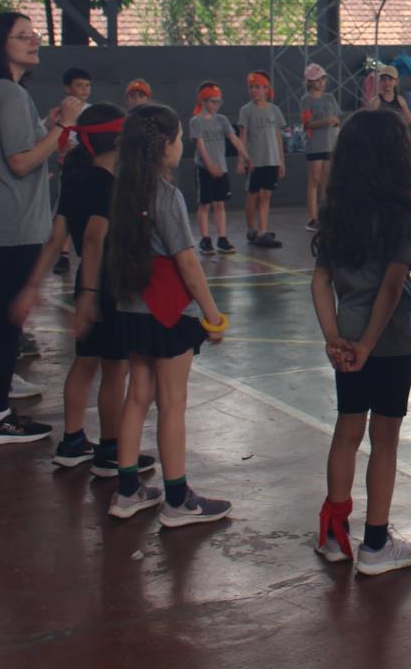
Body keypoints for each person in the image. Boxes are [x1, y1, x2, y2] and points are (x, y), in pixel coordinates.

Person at [0, 12, 78, 445]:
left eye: (33, 34)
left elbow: (14, 148)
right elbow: (21, 162)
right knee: (6, 322)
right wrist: (63, 125)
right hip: (12, 224)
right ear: (0, 44)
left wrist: (45, 126)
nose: (32, 41)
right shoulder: (8, 94)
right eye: (21, 36)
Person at [12, 103, 156, 477]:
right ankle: (110, 450)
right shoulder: (110, 187)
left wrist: (32, 286)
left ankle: (73, 442)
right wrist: (91, 295)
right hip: (109, 285)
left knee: (85, 362)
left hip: (88, 283)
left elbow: (55, 238)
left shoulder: (75, 181)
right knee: (115, 369)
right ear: (118, 141)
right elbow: (94, 238)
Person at [106, 102, 232, 527]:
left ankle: (127, 491)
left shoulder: (122, 190)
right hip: (168, 310)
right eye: (179, 139)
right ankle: (178, 499)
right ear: (164, 145)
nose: (182, 146)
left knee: (137, 395)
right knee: (172, 403)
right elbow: (187, 262)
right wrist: (212, 315)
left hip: (132, 306)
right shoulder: (166, 194)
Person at [312, 109, 411, 575]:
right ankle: (376, 543)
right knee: (384, 439)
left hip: (348, 338)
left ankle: (334, 534)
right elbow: (393, 285)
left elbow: (320, 282)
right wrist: (368, 344)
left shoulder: (337, 212)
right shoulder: (404, 213)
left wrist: (335, 338)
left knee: (346, 431)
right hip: (390, 341)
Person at [189, 82, 243, 255]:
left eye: (219, 101)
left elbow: (234, 138)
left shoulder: (222, 120)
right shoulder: (196, 121)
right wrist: (209, 165)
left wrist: (246, 156)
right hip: (204, 169)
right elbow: (200, 146)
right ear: (203, 101)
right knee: (205, 204)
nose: (217, 105)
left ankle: (222, 238)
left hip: (221, 168)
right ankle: (205, 239)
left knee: (220, 204)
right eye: (213, 101)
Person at [237, 70, 285, 248]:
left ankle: (262, 231)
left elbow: (278, 137)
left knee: (266, 195)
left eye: (257, 87)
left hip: (271, 159)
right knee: (253, 194)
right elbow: (243, 137)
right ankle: (252, 229)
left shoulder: (274, 110)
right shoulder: (246, 110)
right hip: (254, 160)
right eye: (251, 87)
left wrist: (281, 161)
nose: (253, 90)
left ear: (266, 89)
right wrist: (242, 159)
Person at [54, 68, 94, 276]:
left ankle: (88, 253)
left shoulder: (93, 112)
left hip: (87, 168)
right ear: (68, 88)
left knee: (87, 212)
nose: (85, 89)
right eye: (80, 85)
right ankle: (63, 253)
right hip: (68, 167)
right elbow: (50, 139)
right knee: (65, 211)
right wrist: (60, 148)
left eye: (87, 85)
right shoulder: (58, 112)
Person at [300, 64, 341, 233]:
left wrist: (334, 123)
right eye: (317, 80)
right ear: (309, 82)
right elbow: (306, 124)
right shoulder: (306, 100)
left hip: (330, 143)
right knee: (314, 179)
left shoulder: (330, 98)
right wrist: (324, 122)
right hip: (315, 145)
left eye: (323, 79)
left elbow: (337, 119)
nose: (321, 82)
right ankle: (312, 217)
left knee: (326, 181)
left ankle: (325, 214)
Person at [368, 63, 411, 148]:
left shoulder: (400, 100)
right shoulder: (376, 101)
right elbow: (369, 122)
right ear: (380, 82)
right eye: (384, 79)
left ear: (395, 82)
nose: (387, 82)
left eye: (390, 79)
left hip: (397, 136)